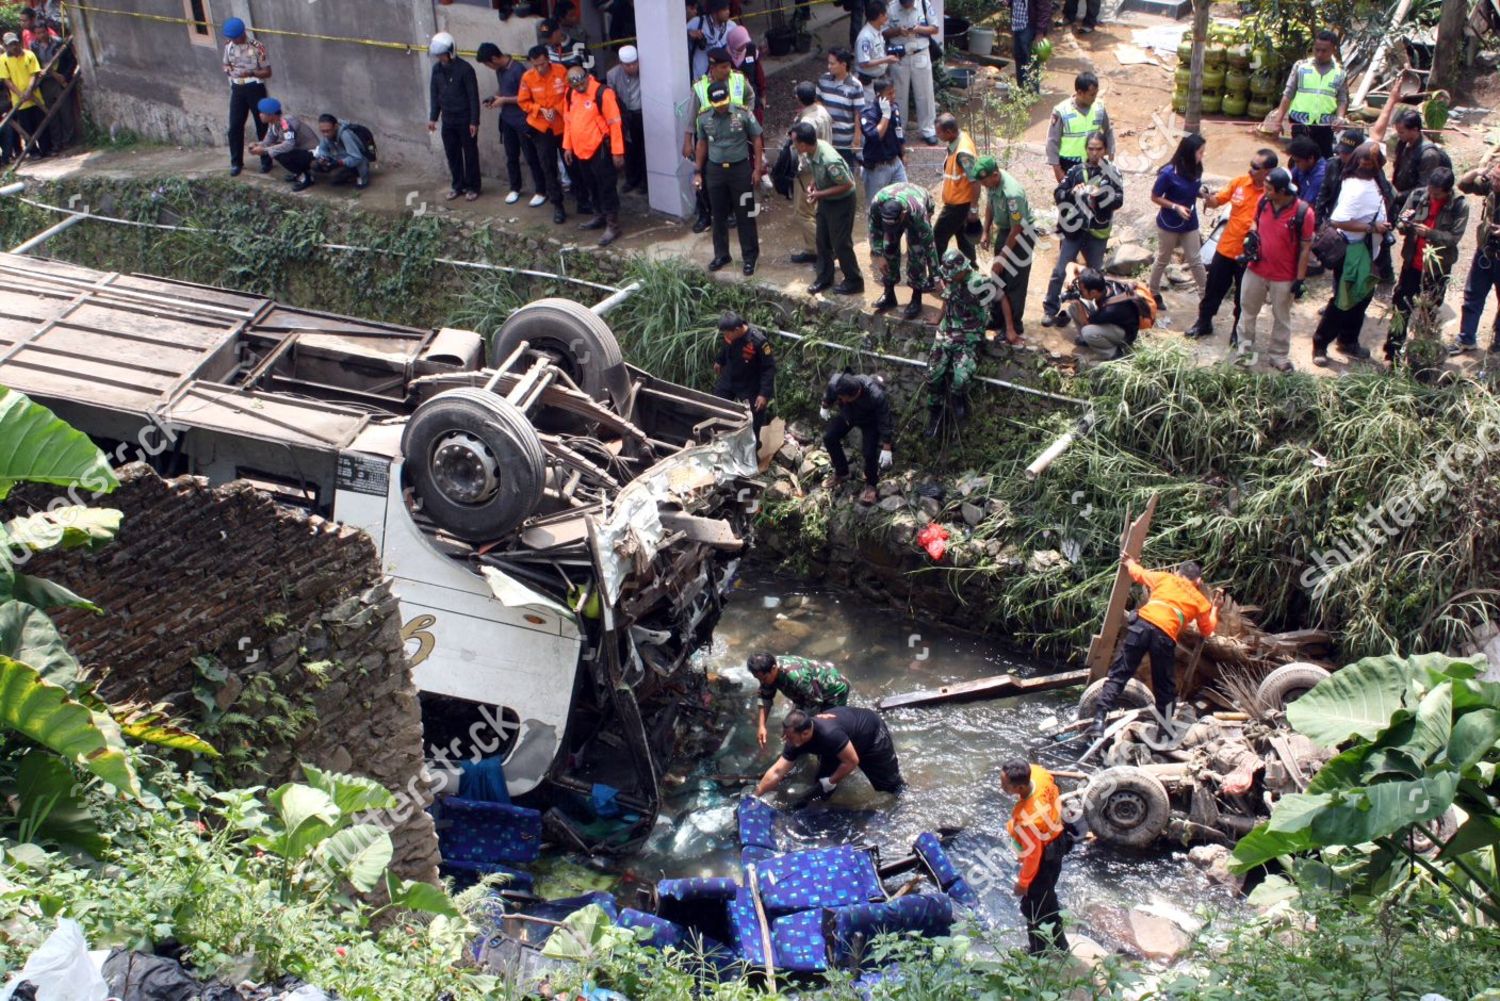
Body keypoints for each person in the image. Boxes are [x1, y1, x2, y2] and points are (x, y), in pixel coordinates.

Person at [1088, 554, 1222, 737]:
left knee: (1119, 675)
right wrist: (1215, 609)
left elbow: (1138, 574)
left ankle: (1098, 721)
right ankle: (1164, 732)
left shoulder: (1165, 578)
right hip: (1164, 636)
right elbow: (1207, 630)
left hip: (1141, 627)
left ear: (1177, 572)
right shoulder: (1201, 602)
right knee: (1164, 687)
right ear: (1198, 581)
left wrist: (1129, 562)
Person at [1185, 148, 1275, 341]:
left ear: (1268, 171)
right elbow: (1219, 200)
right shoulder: (1239, 183)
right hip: (1226, 248)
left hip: (1251, 256)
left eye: (1256, 167)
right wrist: (1208, 198)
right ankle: (1203, 323)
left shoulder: (1272, 194)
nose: (1250, 169)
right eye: (1251, 164)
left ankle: (1237, 331)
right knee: (1213, 290)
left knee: (1243, 297)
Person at [1312, 141, 1389, 365]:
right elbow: (1338, 220)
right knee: (1343, 301)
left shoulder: (1364, 179)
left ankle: (1348, 340)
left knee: (1362, 298)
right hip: (1353, 253)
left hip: (1367, 252)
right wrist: (1372, 228)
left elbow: (1376, 139)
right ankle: (1320, 343)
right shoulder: (1357, 188)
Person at [1041, 131, 1123, 327]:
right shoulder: (1076, 171)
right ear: (1086, 149)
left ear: (1105, 150)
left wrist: (1100, 195)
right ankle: (1050, 309)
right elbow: (1058, 193)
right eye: (1091, 148)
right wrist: (1072, 192)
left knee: (1095, 275)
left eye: (1098, 149)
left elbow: (1119, 200)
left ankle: (1098, 314)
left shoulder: (1113, 173)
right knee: (1060, 271)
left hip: (1097, 232)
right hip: (1074, 230)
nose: (1094, 153)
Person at [1386, 166, 1467, 362]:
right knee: (1401, 307)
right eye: (1430, 190)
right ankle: (1393, 352)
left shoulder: (1459, 205)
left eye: (1436, 194)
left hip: (1437, 267)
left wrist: (1430, 234)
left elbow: (1454, 237)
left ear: (1447, 191)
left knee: (1429, 311)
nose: (1431, 196)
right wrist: (1404, 224)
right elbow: (1402, 221)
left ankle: (1421, 356)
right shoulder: (1418, 196)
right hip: (1412, 264)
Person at [1238, 168, 1315, 373]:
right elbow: (1255, 220)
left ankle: (1279, 355)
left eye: (1269, 188)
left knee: (1281, 316)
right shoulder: (1264, 202)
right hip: (1256, 269)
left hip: (1284, 276)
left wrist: (1299, 279)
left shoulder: (1304, 213)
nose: (1265, 191)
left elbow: (1306, 247)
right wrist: (1252, 235)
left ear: (1282, 191)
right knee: (1247, 312)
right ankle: (1244, 353)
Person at [754, 707, 904, 798]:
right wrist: (757, 794)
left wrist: (831, 781)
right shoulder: (795, 739)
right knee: (820, 785)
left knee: (889, 786)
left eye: (790, 737)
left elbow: (852, 761)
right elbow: (777, 771)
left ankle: (903, 800)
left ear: (805, 733)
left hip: (870, 734)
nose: (787, 740)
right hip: (840, 742)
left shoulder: (829, 735)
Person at [695, 79, 764, 276]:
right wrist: (697, 172)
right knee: (718, 215)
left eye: (724, 103)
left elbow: (757, 138)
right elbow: (701, 144)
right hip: (715, 172)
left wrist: (757, 169)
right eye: (718, 105)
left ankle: (750, 257)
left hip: (740, 170)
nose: (722, 107)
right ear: (710, 102)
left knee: (746, 214)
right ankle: (722, 254)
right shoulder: (704, 117)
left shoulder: (742, 113)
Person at [1001, 758, 1069, 954]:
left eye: (1005, 785)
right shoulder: (1039, 774)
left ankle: (1038, 952)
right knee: (1048, 899)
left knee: (1033, 908)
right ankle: (1060, 945)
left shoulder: (1028, 820)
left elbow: (1033, 855)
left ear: (1020, 787)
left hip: (1043, 860)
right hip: (1058, 839)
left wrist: (1023, 883)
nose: (1001, 787)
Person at [685, 46, 755, 234]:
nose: (728, 70)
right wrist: (687, 140)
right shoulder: (700, 87)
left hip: (735, 139)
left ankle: (735, 213)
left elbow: (750, 97)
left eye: (728, 66)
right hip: (708, 140)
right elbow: (691, 116)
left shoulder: (738, 80)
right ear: (712, 68)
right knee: (705, 179)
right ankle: (705, 215)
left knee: (737, 177)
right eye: (723, 67)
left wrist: (746, 116)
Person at [793, 122, 863, 296]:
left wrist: (819, 194)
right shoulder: (812, 152)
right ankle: (824, 277)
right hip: (826, 200)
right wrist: (813, 185)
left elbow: (847, 184)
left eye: (795, 142)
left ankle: (854, 280)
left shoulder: (829, 159)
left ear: (803, 144)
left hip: (842, 202)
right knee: (822, 239)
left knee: (841, 243)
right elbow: (818, 173)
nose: (793, 145)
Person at [926, 248, 987, 436]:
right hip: (947, 332)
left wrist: (1008, 329)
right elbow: (948, 298)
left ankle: (957, 397)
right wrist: (938, 317)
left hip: (968, 335)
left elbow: (1002, 301)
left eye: (952, 275)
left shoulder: (979, 283)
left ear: (963, 269)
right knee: (932, 375)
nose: (949, 279)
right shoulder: (952, 279)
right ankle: (935, 413)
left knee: (960, 379)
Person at [973, 156, 1034, 346]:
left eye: (985, 181)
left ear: (995, 175)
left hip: (1021, 234)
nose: (983, 186)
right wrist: (986, 230)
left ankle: (1014, 326)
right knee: (997, 278)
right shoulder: (992, 185)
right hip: (1006, 230)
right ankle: (998, 319)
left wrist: (1002, 257)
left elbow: (1018, 229)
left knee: (1014, 282)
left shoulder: (1012, 194)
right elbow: (991, 205)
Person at [562, 64, 624, 246]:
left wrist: (617, 152)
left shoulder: (603, 94)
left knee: (606, 187)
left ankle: (613, 225)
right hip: (581, 150)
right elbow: (568, 122)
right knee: (591, 184)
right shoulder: (569, 94)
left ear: (587, 77)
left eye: (582, 84)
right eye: (576, 86)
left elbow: (615, 124)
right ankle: (599, 215)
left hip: (600, 148)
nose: (580, 89)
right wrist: (567, 147)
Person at [478, 43, 546, 207]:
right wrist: (494, 97)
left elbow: (525, 97)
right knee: (511, 156)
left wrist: (504, 100)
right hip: (507, 120)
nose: (488, 67)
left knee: (531, 157)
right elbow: (503, 90)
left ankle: (541, 190)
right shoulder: (499, 71)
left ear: (494, 59)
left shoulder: (519, 70)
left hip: (522, 121)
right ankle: (515, 187)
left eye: (487, 64)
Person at [1147, 133, 1208, 301]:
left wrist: (1202, 194)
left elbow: (1194, 187)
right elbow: (1155, 196)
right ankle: (1153, 292)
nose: (1202, 156)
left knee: (1195, 259)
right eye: (1200, 152)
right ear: (1189, 152)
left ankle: (1206, 296)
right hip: (1169, 223)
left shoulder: (1196, 167)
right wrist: (1175, 207)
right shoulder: (1168, 173)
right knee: (1163, 259)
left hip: (1189, 222)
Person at [1268, 30, 1347, 158]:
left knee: (1323, 159)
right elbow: (1288, 94)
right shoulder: (1301, 67)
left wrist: (1340, 117)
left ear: (1334, 50)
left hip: (1325, 125)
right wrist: (1278, 120)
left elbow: (1342, 98)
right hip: (1300, 123)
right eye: (1317, 49)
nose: (1319, 54)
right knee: (1299, 158)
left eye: (1324, 51)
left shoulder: (1340, 72)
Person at [746, 653, 851, 749]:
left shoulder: (796, 677)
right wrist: (762, 726)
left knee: (827, 726)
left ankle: (842, 747)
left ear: (773, 668)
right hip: (808, 694)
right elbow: (765, 696)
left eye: (763, 678)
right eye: (758, 679)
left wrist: (793, 727)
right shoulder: (766, 669)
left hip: (834, 691)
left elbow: (814, 703)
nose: (762, 682)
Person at [869, 180, 939, 318]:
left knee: (917, 253)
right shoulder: (877, 203)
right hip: (897, 204)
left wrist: (935, 277)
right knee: (888, 248)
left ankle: (916, 298)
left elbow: (930, 247)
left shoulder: (917, 212)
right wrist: (879, 255)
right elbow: (874, 230)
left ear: (903, 214)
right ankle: (889, 295)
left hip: (919, 203)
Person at [821, 372, 894, 505]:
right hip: (848, 415)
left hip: (869, 421)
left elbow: (885, 419)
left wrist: (887, 446)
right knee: (829, 438)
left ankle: (871, 484)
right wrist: (825, 404)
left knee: (869, 453)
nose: (841, 400)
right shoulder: (839, 384)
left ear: (855, 394)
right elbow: (831, 390)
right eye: (840, 397)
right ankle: (842, 472)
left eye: (843, 398)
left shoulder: (875, 396)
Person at [1451, 163, 1500, 355]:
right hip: (1485, 252)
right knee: (1473, 295)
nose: (1494, 183)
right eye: (1494, 178)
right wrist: (1477, 172)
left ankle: (1497, 341)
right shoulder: (1491, 188)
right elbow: (1463, 185)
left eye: (1498, 180)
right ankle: (1466, 338)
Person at [427, 32, 482, 202]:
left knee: (470, 153)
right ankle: (458, 185)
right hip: (448, 119)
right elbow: (434, 94)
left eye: (442, 54)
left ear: (450, 52)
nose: (440, 58)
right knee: (452, 153)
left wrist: (474, 121)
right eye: (438, 55)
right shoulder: (436, 70)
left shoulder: (465, 69)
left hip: (465, 119)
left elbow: (473, 97)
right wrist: (433, 117)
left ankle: (473, 186)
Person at [518, 44, 569, 224]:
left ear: (548, 59)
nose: (539, 69)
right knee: (548, 167)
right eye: (535, 65)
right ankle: (558, 205)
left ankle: (584, 200)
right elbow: (523, 101)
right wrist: (539, 110)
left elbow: (569, 96)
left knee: (572, 163)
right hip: (541, 128)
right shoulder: (527, 77)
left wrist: (556, 109)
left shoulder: (561, 71)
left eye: (542, 64)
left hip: (563, 126)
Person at [790, 81, 834, 266]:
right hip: (823, 165)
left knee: (803, 213)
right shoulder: (823, 112)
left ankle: (821, 251)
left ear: (799, 99)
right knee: (816, 211)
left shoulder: (807, 121)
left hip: (809, 170)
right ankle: (812, 249)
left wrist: (798, 170)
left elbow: (803, 151)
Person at [713, 311, 776, 432]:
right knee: (715, 407)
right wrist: (719, 361)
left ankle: (753, 447)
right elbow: (726, 347)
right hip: (729, 378)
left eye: (727, 333)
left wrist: (763, 394)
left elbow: (769, 368)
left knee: (753, 420)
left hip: (749, 384)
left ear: (737, 329)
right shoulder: (730, 335)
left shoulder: (758, 341)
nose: (725, 336)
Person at [886, 0, 938, 146]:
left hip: (920, 53)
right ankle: (899, 130)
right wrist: (897, 31)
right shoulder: (891, 8)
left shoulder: (923, 4)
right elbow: (883, 31)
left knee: (925, 93)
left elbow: (935, 28)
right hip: (899, 55)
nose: (906, 5)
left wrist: (918, 29)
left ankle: (928, 129)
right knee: (898, 94)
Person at [1046, 72, 1114, 183]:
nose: (1095, 98)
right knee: (1072, 197)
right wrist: (1057, 170)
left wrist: (1111, 155)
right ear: (1080, 93)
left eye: (1096, 94)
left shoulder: (1099, 107)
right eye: (1091, 95)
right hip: (1070, 164)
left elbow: (1108, 131)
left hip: (1094, 161)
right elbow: (1052, 142)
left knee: (1095, 196)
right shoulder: (1061, 111)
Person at [1065, 267, 1141, 360]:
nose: (1080, 292)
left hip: (1124, 335)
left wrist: (1078, 302)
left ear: (1093, 292)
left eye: (1081, 291)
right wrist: (1074, 285)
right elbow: (1077, 268)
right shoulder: (1105, 283)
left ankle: (1113, 353)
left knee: (1087, 331)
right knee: (1073, 307)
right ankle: (1088, 341)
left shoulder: (1110, 309)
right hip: (1113, 322)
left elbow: (1086, 323)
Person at [933, 113, 979, 264]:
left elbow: (975, 181)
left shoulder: (962, 153)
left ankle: (938, 275)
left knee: (937, 237)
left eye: (939, 132)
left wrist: (973, 208)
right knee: (965, 241)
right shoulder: (959, 140)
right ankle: (971, 272)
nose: (937, 135)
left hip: (958, 206)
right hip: (961, 203)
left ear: (949, 132)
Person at [247, 98, 316, 191]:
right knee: (275, 149)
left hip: (312, 154)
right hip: (299, 151)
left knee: (280, 153)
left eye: (262, 113)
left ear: (271, 115)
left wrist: (265, 150)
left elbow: (289, 144)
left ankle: (307, 177)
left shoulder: (287, 122)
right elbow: (267, 141)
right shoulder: (273, 124)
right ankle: (299, 173)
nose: (260, 115)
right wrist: (256, 145)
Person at [859, 76, 906, 208]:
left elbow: (899, 132)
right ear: (879, 95)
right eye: (889, 93)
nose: (893, 96)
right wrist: (885, 116)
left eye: (894, 92)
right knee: (876, 208)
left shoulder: (894, 108)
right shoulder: (868, 114)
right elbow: (875, 136)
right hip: (877, 168)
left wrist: (903, 154)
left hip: (895, 163)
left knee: (904, 200)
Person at [604, 46, 645, 195]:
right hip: (625, 116)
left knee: (643, 150)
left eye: (635, 63)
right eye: (628, 65)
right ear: (621, 63)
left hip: (642, 114)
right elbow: (611, 97)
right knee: (629, 149)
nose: (632, 67)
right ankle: (631, 180)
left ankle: (644, 182)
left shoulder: (646, 71)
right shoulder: (612, 75)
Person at [818, 48, 865, 174]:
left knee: (846, 173)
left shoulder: (855, 85)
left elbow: (858, 113)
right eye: (828, 63)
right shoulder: (823, 80)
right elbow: (818, 102)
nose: (829, 67)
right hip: (826, 139)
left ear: (843, 65)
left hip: (845, 141)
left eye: (832, 64)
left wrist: (857, 138)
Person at [0, 31, 43, 160]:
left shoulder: (29, 55)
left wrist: (29, 90)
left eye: (15, 43)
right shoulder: (3, 60)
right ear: (6, 46)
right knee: (26, 128)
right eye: (10, 45)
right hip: (18, 100)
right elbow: (6, 80)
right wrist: (20, 94)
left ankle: (46, 149)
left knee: (40, 124)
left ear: (18, 42)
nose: (14, 46)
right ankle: (33, 152)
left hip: (35, 97)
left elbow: (34, 73)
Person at [856, 0, 899, 107]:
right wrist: (886, 60)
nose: (887, 17)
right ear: (880, 16)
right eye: (885, 14)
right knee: (869, 112)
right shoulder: (865, 37)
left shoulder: (878, 32)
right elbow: (864, 62)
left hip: (879, 82)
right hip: (868, 84)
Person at [312, 114, 371, 189]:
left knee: (334, 177)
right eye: (322, 131)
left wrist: (339, 163)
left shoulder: (345, 135)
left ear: (335, 126)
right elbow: (322, 149)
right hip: (340, 159)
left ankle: (356, 176)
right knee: (314, 164)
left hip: (356, 163)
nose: (325, 134)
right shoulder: (327, 135)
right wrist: (324, 158)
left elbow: (357, 158)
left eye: (328, 131)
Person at [725, 25, 768, 124]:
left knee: (755, 127)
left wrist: (762, 95)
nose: (744, 46)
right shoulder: (725, 56)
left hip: (752, 98)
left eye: (745, 43)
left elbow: (759, 75)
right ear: (733, 43)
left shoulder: (751, 50)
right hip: (734, 101)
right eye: (741, 44)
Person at [687, 0, 735, 82]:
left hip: (722, 79)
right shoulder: (697, 22)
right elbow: (676, 38)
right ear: (715, 11)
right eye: (724, 9)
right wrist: (688, 34)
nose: (728, 12)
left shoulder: (732, 27)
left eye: (728, 9)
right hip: (699, 80)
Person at [1010, 0, 1052, 92]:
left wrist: (1040, 32)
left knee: (1030, 61)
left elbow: (1045, 8)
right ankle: (1022, 90)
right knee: (1020, 58)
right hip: (1018, 25)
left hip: (1029, 26)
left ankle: (1032, 92)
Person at [1286, 136, 1327, 219]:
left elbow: (1307, 207)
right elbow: (1286, 180)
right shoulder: (1302, 164)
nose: (1296, 165)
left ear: (1311, 158)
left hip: (1311, 217)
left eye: (1297, 161)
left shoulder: (1320, 176)